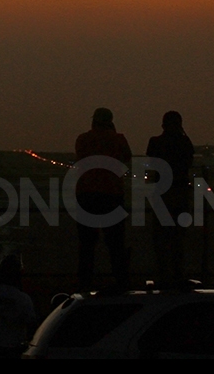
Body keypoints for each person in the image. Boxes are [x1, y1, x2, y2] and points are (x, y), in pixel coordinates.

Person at [74, 107, 132, 291]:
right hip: (112, 194)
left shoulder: (83, 139)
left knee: (87, 245)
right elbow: (126, 159)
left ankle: (84, 283)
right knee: (115, 244)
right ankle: (120, 281)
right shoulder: (118, 140)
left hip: (86, 193)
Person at [146, 110, 194, 285]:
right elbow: (190, 160)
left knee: (161, 237)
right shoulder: (184, 142)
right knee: (178, 237)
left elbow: (151, 160)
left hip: (161, 193)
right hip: (179, 192)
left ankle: (162, 274)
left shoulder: (155, 142)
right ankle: (178, 274)